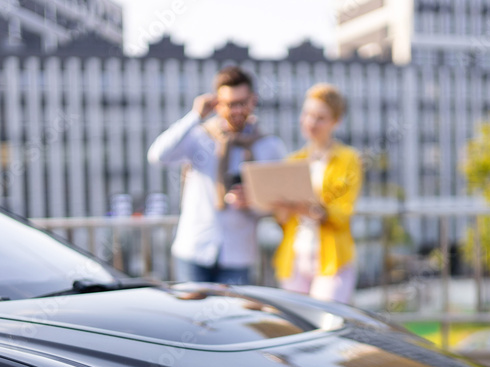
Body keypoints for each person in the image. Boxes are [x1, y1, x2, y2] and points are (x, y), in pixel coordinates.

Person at [148, 66, 286, 285]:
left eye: (242, 103)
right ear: (217, 104)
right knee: (191, 318)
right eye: (230, 104)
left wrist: (253, 202)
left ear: (253, 101)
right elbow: (157, 155)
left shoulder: (270, 146)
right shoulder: (200, 137)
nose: (237, 110)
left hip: (239, 255)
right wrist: (196, 115)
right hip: (194, 250)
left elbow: (279, 202)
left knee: (232, 317)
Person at [271, 83, 362, 304]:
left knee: (326, 323)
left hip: (331, 259)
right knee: (297, 327)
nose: (311, 122)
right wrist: (281, 207)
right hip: (295, 258)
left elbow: (343, 213)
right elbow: (283, 221)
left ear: (335, 122)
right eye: (308, 115)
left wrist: (313, 209)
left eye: (320, 118)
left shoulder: (348, 159)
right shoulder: (293, 161)